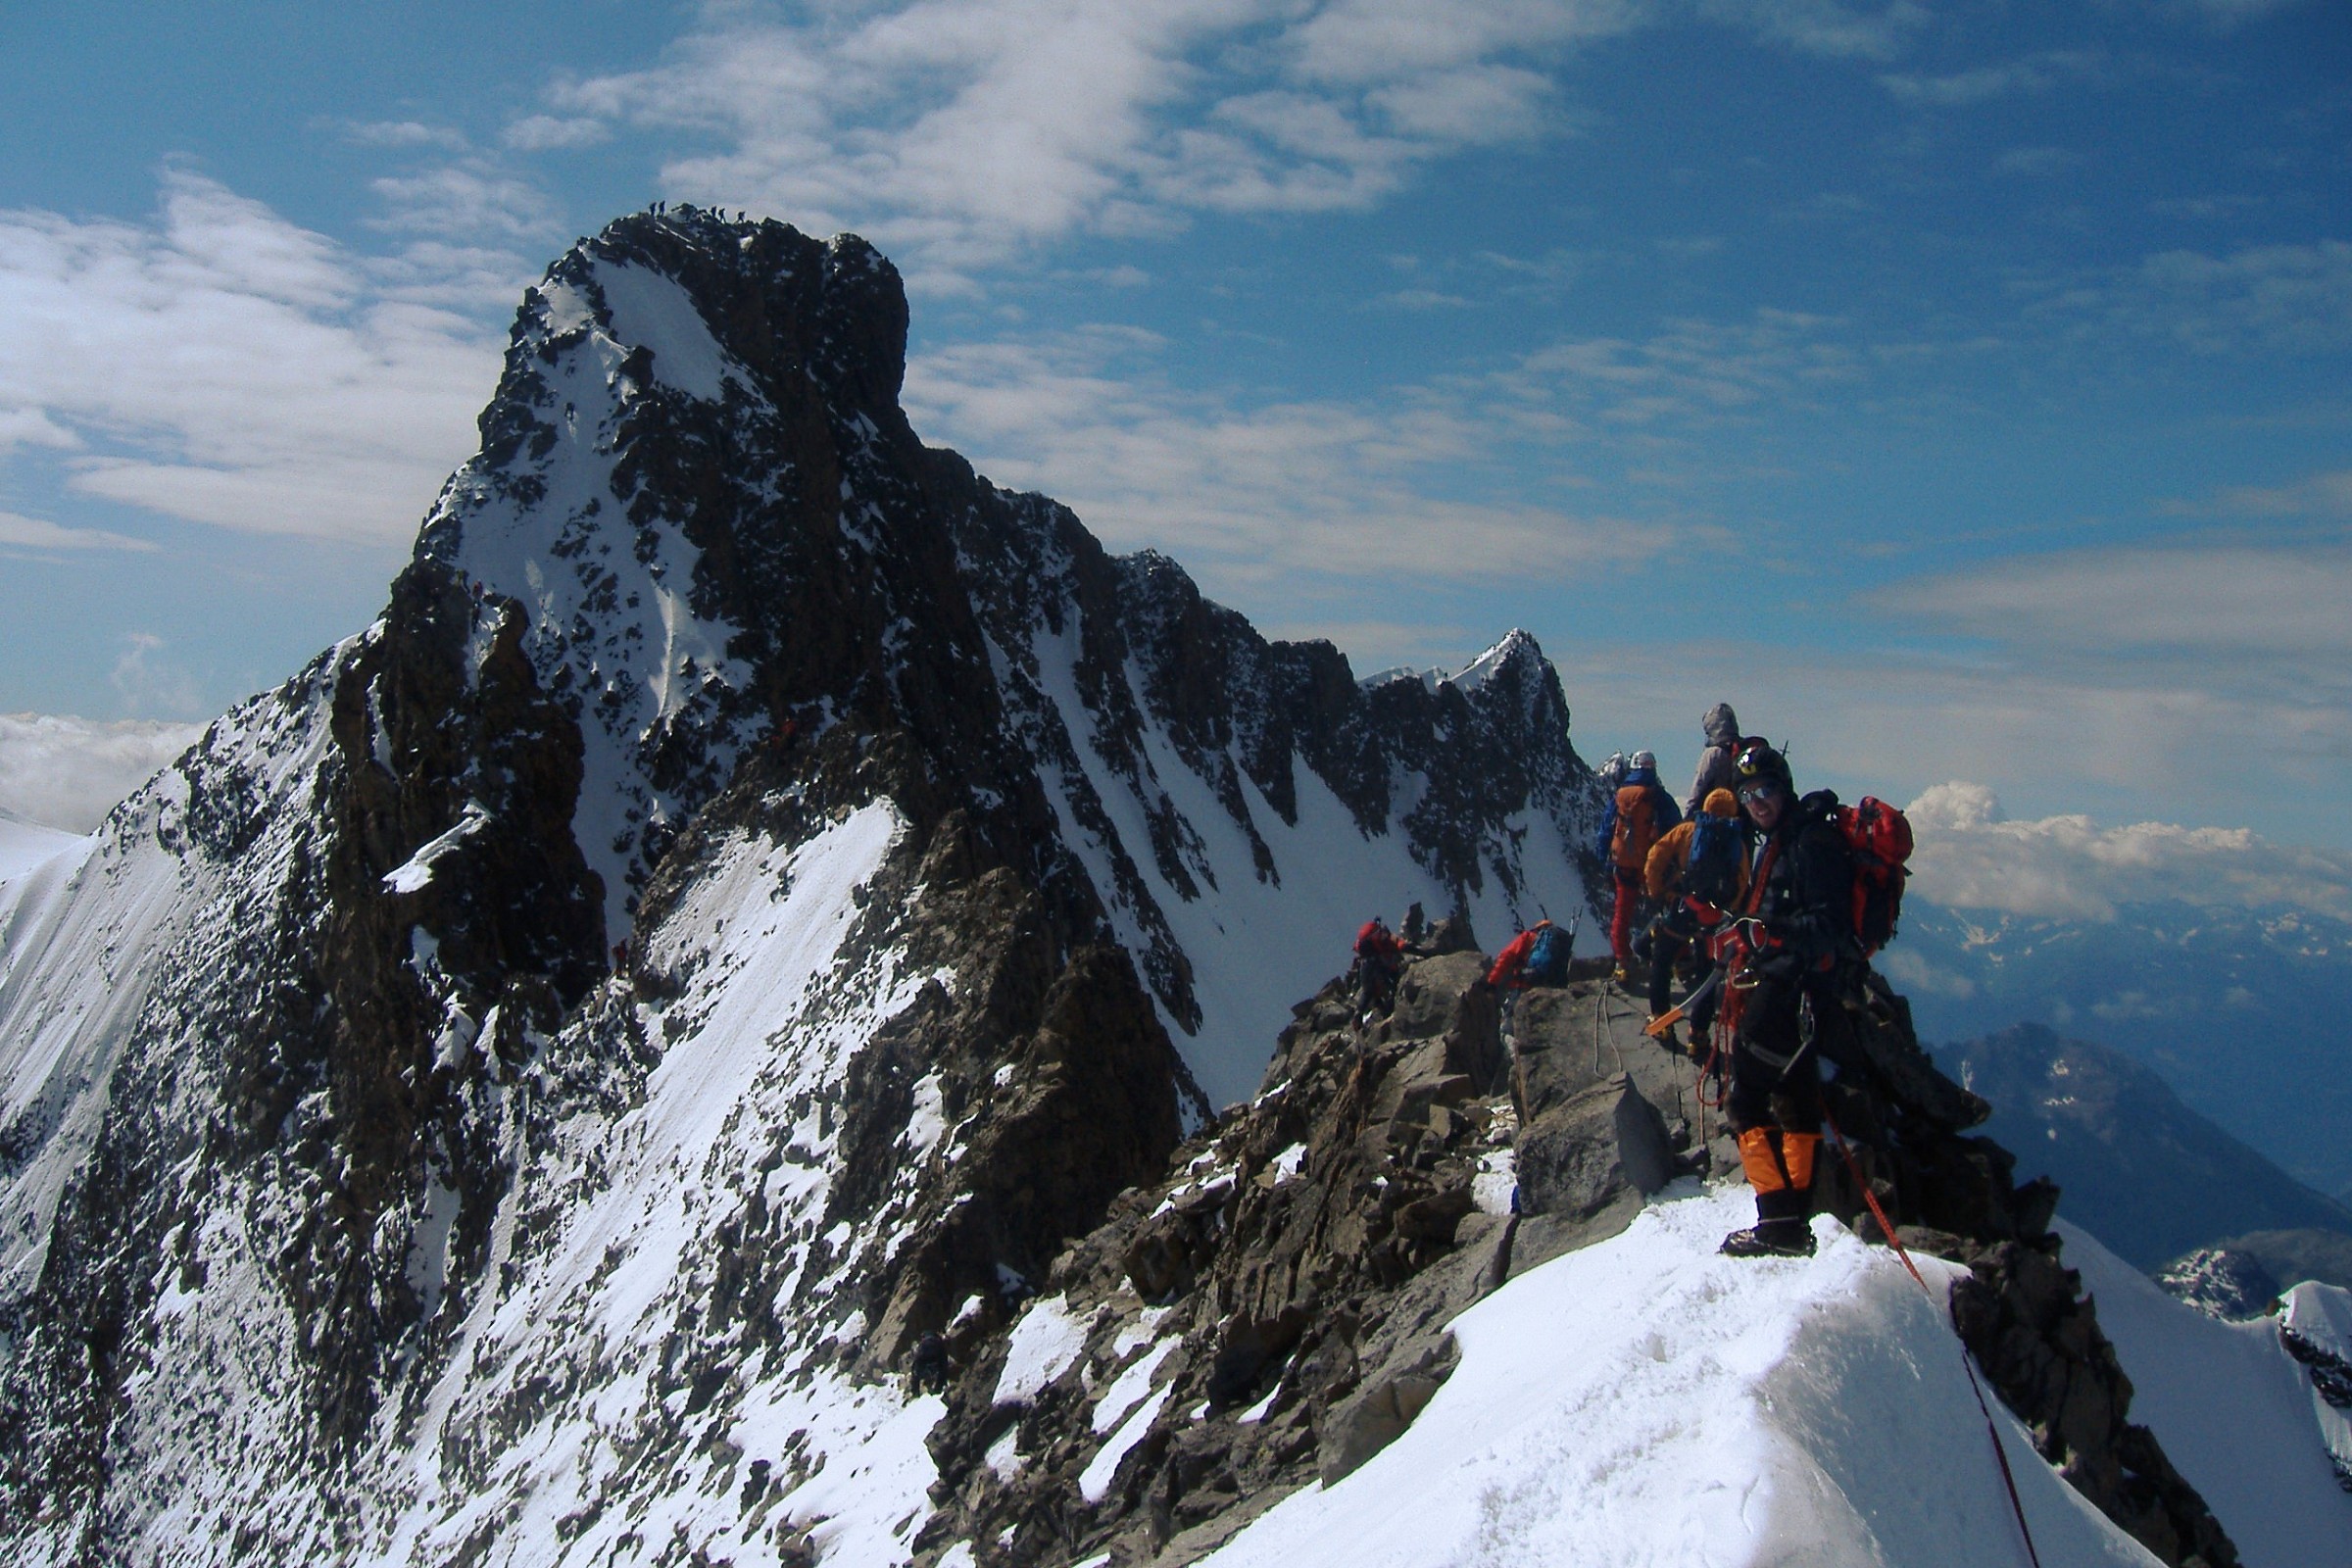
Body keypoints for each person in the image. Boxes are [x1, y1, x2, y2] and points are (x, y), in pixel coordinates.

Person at [1716, 742, 1861, 1259]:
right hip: (1802, 990)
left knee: (1744, 1097)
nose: (1757, 802)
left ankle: (1777, 1222)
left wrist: (1768, 934)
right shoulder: (1787, 838)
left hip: (1790, 991)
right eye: (1748, 794)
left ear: (1785, 787)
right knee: (1798, 1098)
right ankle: (1794, 1218)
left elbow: (1828, 924)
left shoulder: (1807, 843)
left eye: (1766, 790)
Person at [1641, 786, 1747, 1053]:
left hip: (1682, 907)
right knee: (1707, 974)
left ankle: (1661, 1021)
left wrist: (1657, 891)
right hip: (1712, 917)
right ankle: (1698, 1035)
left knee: (1662, 960)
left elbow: (1656, 856)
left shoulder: (1688, 831)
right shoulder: (1736, 839)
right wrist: (1728, 908)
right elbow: (1743, 879)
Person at [1593, 751, 1681, 982]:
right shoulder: (1658, 796)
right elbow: (1674, 828)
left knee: (1622, 915)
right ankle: (1677, 960)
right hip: (1653, 865)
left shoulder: (1620, 797)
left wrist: (1603, 860)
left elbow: (1605, 830)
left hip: (1623, 865)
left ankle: (1623, 962)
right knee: (1669, 911)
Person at [1685, 703, 1743, 820]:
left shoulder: (1712, 753)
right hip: (1739, 818)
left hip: (1712, 818)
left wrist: (1687, 818)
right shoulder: (1741, 749)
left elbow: (1699, 785)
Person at [1353, 915, 1405, 1017]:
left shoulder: (1365, 947)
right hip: (1379, 964)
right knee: (1392, 980)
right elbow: (1399, 946)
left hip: (1368, 966)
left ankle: (1362, 1013)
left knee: (1369, 991)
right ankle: (1389, 1006)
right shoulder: (1383, 940)